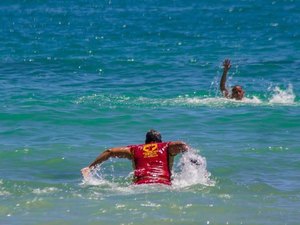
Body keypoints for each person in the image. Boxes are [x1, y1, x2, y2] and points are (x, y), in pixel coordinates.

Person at [81, 129, 189, 185]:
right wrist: (189, 158)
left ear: (145, 142)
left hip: (139, 186)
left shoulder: (134, 149)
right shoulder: (166, 147)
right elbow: (182, 145)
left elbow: (110, 151)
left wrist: (90, 167)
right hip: (164, 185)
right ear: (160, 141)